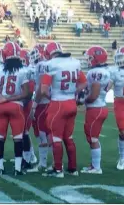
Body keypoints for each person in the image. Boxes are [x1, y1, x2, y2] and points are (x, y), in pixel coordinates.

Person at [40, 42, 87, 178]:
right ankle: (73, 168)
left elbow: (43, 90)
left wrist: (52, 96)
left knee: (56, 139)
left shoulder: (50, 64)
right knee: (69, 137)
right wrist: (72, 91)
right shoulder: (74, 62)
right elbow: (84, 83)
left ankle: (58, 169)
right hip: (71, 103)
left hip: (58, 104)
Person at [0, 41, 30, 175]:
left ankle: (0, 167)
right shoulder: (23, 70)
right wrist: (11, 98)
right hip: (16, 107)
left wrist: (3, 99)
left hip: (0, 107)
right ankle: (18, 168)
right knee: (18, 137)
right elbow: (26, 93)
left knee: (0, 137)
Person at [81, 46, 110, 175]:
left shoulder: (95, 73)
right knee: (92, 137)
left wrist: (82, 100)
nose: (88, 60)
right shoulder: (105, 71)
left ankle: (96, 167)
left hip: (95, 108)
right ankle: (94, 165)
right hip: (100, 107)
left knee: (93, 139)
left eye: (90, 58)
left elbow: (94, 95)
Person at [27, 44, 53, 173]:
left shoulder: (41, 66)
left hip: (43, 103)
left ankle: (44, 164)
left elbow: (41, 88)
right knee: (45, 133)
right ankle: (52, 163)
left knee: (44, 133)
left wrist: (34, 105)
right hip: (47, 102)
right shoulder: (49, 64)